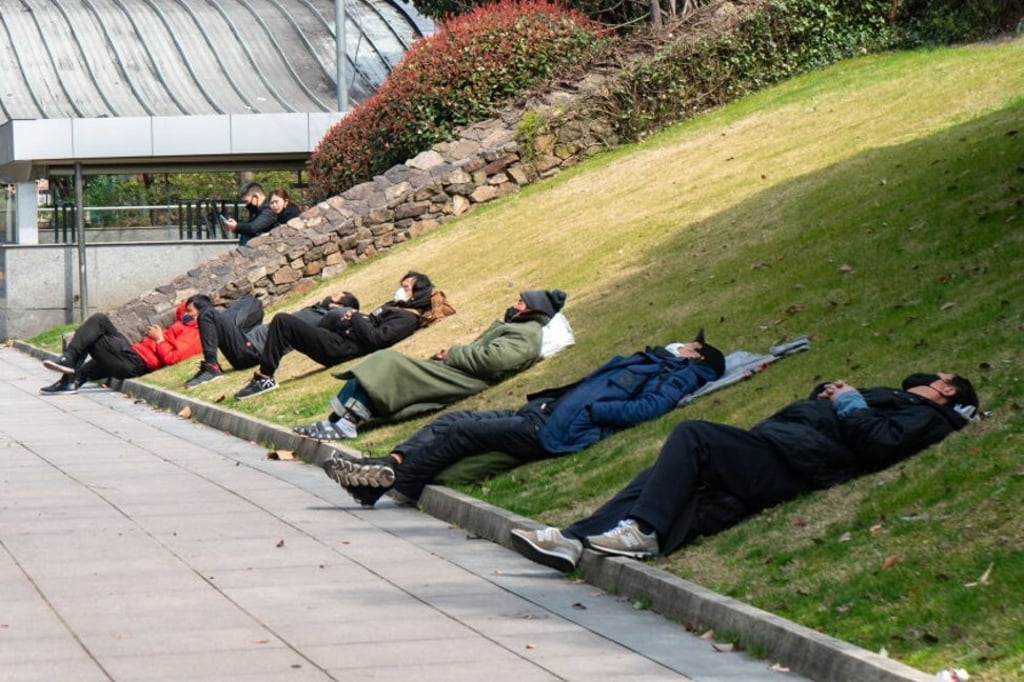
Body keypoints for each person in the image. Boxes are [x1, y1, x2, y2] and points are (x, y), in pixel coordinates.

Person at [506, 372, 980, 572]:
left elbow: (878, 444)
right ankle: (572, 539)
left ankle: (643, 532)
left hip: (796, 462)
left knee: (692, 435)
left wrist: (849, 401)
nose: (927, 379)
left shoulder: (930, 418)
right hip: (782, 448)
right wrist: (828, 395)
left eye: (938, 378)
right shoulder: (902, 402)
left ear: (945, 391)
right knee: (660, 475)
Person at [322, 330, 727, 508]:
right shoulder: (660, 362)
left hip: (555, 429)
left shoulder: (681, 375)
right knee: (453, 421)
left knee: (462, 432)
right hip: (545, 412)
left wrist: (591, 412)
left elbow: (646, 410)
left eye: (690, 343)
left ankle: (387, 482)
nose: (683, 342)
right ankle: (382, 472)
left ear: (696, 354)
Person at [292, 289, 568, 440]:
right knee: (383, 363)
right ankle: (335, 421)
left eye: (521, 302)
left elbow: (496, 361)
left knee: (388, 362)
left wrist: (454, 354)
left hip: (462, 377)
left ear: (534, 310)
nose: (515, 305)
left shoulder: (527, 333)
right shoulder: (520, 327)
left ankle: (347, 424)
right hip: (457, 370)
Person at [233, 272, 435, 399]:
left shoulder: (408, 318)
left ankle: (265, 377)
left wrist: (355, 318)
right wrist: (354, 320)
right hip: (340, 337)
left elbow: (376, 340)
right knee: (285, 323)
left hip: (342, 348)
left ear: (417, 293)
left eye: (406, 287)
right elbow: (369, 325)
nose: (400, 289)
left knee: (282, 320)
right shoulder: (395, 306)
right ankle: (265, 375)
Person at [183, 292, 362, 389]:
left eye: (336, 296)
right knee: (250, 301)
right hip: (247, 337)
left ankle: (212, 366)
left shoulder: (331, 315)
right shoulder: (318, 310)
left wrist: (354, 315)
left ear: (339, 305)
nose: (330, 296)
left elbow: (346, 316)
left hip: (250, 350)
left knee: (207, 312)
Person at [40, 298, 203, 395]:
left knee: (97, 322)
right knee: (95, 329)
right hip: (134, 353)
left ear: (201, 314)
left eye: (191, 311)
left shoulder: (196, 334)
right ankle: (71, 379)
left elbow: (172, 359)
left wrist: (159, 339)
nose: (186, 314)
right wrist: (192, 301)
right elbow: (182, 309)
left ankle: (68, 363)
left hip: (137, 363)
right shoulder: (186, 322)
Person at [224, 182, 293, 246]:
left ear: (256, 196)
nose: (246, 205)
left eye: (246, 201)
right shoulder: (259, 210)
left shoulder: (269, 209)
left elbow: (253, 228)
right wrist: (235, 226)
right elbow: (248, 225)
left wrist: (236, 227)